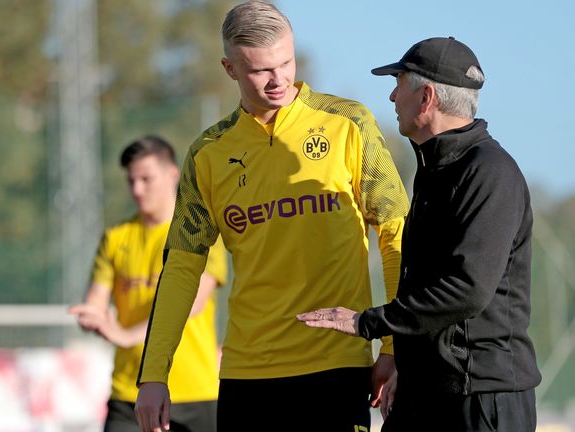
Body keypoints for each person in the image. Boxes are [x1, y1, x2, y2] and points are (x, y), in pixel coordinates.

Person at [134, 2, 409, 431]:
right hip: (247, 374)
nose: (278, 79)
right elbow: (182, 265)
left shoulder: (349, 124)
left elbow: (395, 235)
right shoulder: (208, 153)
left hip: (336, 364)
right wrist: (153, 375)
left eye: (286, 62)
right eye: (261, 70)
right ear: (229, 69)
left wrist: (393, 346)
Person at [298, 37, 542, 431]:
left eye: (399, 83)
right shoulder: (435, 170)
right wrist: (406, 367)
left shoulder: (490, 172)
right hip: (428, 391)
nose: (393, 96)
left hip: (480, 398)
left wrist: (368, 322)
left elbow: (467, 290)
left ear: (426, 96)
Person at [69, 136, 228, 432]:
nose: (137, 189)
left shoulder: (199, 233)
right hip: (131, 394)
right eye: (131, 181)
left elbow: (192, 303)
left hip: (195, 394)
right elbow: (96, 303)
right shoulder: (116, 239)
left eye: (146, 179)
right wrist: (91, 318)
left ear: (172, 175)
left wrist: (129, 335)